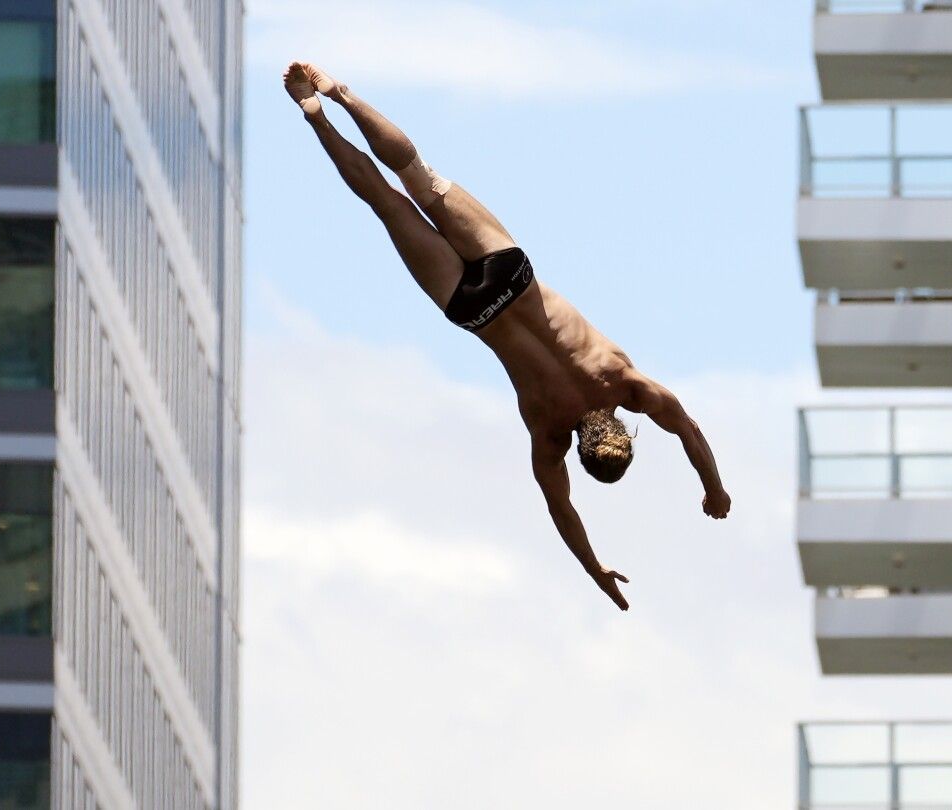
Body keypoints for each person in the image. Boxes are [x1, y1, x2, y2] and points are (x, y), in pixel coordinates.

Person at [284, 62, 730, 611]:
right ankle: (316, 117)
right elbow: (562, 511)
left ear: (622, 431)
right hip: (473, 310)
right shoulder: (549, 434)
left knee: (418, 176)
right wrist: (596, 571)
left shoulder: (623, 384)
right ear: (582, 455)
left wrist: (714, 486)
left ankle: (343, 95)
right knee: (384, 202)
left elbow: (685, 426)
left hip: (512, 277)